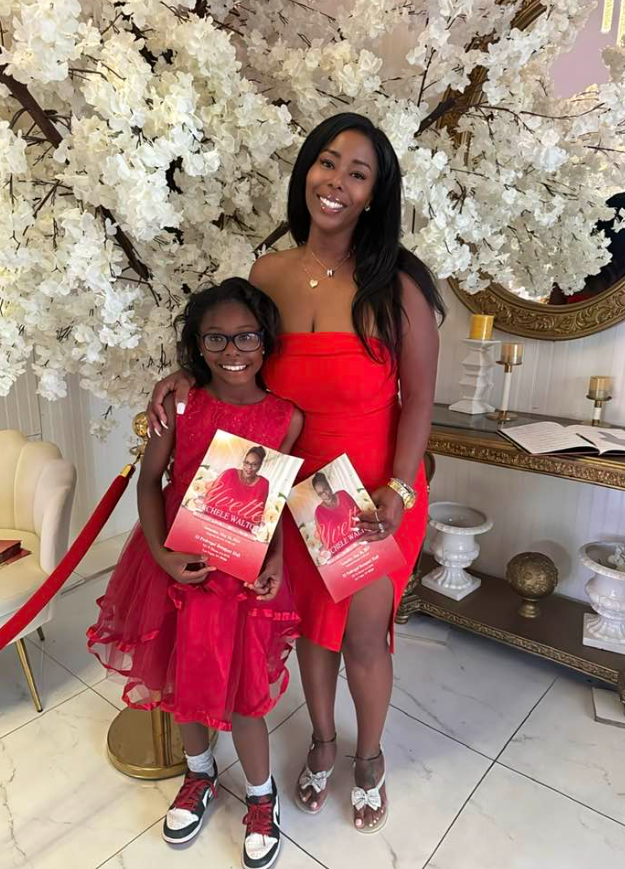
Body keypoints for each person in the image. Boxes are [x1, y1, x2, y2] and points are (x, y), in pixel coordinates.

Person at [146, 112, 444, 833]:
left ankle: (368, 756)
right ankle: (322, 739)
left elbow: (419, 402)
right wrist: (182, 376)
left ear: (374, 194)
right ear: (306, 169)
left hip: (361, 492)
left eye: (357, 173)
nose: (336, 181)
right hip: (282, 484)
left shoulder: (398, 286)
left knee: (363, 637)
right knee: (311, 630)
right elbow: (238, 356)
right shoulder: (268, 273)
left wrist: (399, 490)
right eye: (327, 162)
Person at [87, 278, 303, 869]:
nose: (232, 351)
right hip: (180, 564)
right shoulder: (179, 405)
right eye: (216, 338)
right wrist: (162, 556)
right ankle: (199, 773)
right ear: (197, 344)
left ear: (266, 340)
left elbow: (277, 499)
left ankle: (261, 796)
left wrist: (277, 557)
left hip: (244, 574)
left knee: (246, 694)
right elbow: (149, 482)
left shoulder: (285, 417)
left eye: (246, 337)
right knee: (183, 679)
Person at [204, 446, 270, 534]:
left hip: (238, 535)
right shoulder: (230, 474)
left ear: (260, 466)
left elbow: (257, 515)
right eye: (246, 463)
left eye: (254, 464)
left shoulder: (263, 484)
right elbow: (209, 500)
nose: (249, 467)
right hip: (212, 527)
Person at [312, 472, 360, 558]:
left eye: (325, 489)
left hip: (360, 540)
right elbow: (326, 542)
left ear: (329, 485)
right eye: (320, 493)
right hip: (342, 554)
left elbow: (360, 515)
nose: (324, 494)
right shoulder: (319, 512)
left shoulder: (343, 495)